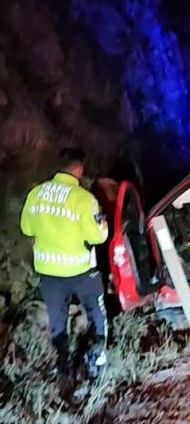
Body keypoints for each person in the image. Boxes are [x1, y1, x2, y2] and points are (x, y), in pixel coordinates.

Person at [20, 148, 110, 374]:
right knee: (96, 314)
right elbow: (97, 236)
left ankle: (62, 365)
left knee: (57, 320)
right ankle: (97, 360)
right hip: (80, 270)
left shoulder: (36, 194)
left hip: (49, 273)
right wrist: (102, 222)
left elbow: (26, 228)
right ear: (78, 168)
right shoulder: (84, 199)